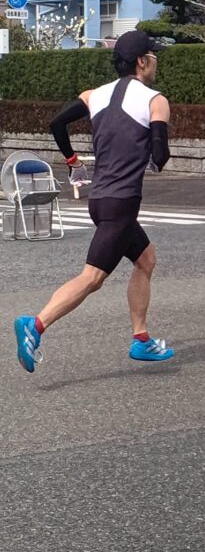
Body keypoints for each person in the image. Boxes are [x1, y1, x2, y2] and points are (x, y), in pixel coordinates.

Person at [13, 29, 175, 373]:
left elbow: (57, 123)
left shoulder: (94, 95)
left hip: (100, 199)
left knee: (146, 259)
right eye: (153, 57)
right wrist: (149, 155)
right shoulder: (155, 100)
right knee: (92, 278)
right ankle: (35, 325)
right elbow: (160, 156)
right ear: (141, 62)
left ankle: (141, 338)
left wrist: (73, 161)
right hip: (121, 203)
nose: (155, 62)